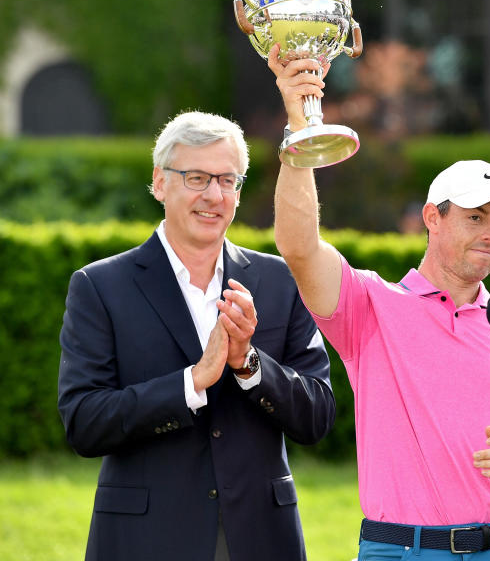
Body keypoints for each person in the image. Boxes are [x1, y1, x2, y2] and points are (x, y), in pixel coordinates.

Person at [268, 44, 490, 561]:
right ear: (432, 218)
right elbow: (298, 245)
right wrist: (298, 131)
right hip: (400, 551)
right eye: (475, 217)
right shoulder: (372, 307)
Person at [57, 111, 337, 561]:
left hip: (262, 540)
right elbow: (84, 422)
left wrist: (250, 365)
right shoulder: (100, 286)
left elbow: (318, 416)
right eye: (196, 177)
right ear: (160, 182)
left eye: (228, 180)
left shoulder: (281, 281)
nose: (214, 195)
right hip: (145, 541)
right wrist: (191, 382)